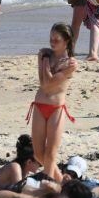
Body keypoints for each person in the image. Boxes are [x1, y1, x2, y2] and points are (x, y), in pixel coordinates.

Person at [29, 23, 77, 179]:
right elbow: (42, 83)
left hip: (56, 108)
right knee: (38, 154)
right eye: (51, 38)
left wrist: (45, 64)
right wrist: (43, 61)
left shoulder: (70, 64)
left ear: (66, 41)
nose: (52, 42)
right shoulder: (43, 54)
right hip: (39, 106)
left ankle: (47, 183)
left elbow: (48, 83)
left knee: (50, 154)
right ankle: (60, 179)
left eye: (56, 39)